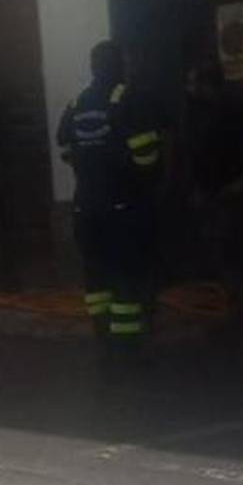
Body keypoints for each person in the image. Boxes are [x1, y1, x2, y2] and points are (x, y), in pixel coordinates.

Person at [57, 41, 163, 353]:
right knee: (125, 271)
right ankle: (126, 340)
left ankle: (102, 332)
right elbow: (145, 154)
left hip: (85, 205)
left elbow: (64, 147)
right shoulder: (127, 100)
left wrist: (87, 163)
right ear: (118, 65)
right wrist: (146, 178)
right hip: (122, 205)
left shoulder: (77, 104)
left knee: (95, 270)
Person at [183, 59, 243, 340]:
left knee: (231, 255)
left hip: (228, 193)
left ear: (207, 83)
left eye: (193, 82)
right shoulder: (198, 110)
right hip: (208, 192)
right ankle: (235, 314)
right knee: (219, 253)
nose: (188, 88)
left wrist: (242, 180)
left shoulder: (233, 108)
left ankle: (242, 318)